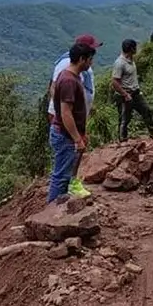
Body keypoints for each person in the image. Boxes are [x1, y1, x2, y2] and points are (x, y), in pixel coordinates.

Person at [47, 34, 102, 198]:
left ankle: (57, 208)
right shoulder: (69, 80)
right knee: (61, 177)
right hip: (64, 135)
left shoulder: (72, 76)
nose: (91, 63)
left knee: (63, 174)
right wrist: (77, 139)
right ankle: (52, 213)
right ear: (82, 59)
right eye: (90, 59)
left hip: (66, 133)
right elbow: (65, 113)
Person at [111, 39, 153, 141]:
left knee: (146, 111)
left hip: (136, 93)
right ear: (131, 49)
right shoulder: (120, 63)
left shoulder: (131, 60)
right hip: (124, 95)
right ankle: (123, 140)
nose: (136, 49)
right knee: (124, 119)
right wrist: (125, 94)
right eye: (135, 47)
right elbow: (115, 82)